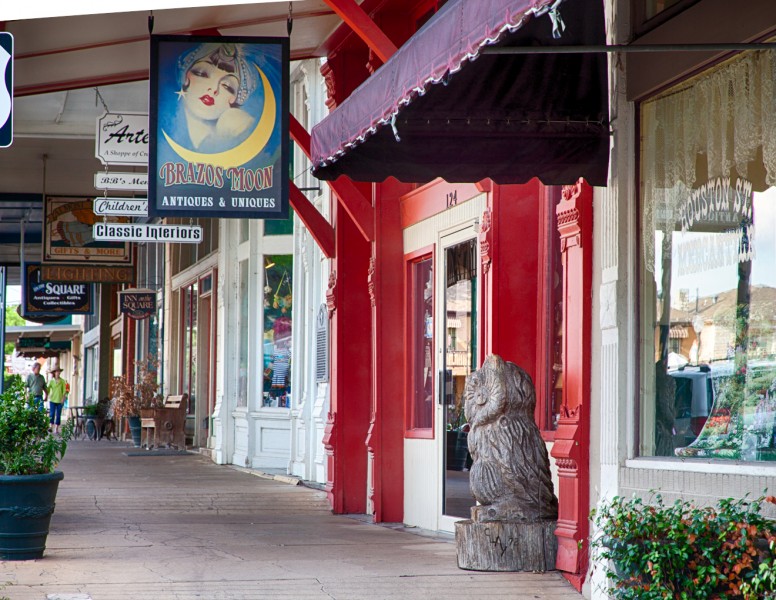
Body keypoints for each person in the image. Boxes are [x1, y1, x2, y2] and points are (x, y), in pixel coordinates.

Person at [175, 43, 257, 151]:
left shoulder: (237, 137)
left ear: (235, 99)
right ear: (186, 76)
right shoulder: (166, 125)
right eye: (202, 74)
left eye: (226, 86)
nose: (214, 89)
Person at [47, 366, 67, 434]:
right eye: (57, 372)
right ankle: (50, 426)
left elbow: (64, 391)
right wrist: (48, 395)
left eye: (59, 372)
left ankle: (57, 428)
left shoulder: (62, 381)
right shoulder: (51, 381)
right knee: (52, 413)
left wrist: (63, 399)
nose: (58, 373)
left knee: (58, 414)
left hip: (59, 400)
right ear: (54, 373)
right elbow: (48, 388)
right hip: (52, 399)